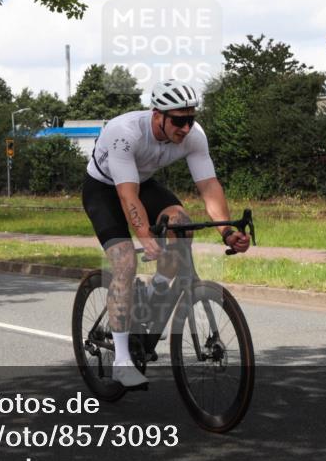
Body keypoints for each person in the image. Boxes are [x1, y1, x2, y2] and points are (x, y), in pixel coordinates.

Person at [81, 79, 251, 389]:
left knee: (181, 224)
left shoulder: (194, 137)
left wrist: (226, 231)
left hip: (142, 184)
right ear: (157, 114)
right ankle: (121, 361)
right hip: (104, 190)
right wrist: (145, 235)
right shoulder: (125, 133)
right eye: (178, 120)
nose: (185, 128)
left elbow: (209, 186)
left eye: (191, 119)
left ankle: (157, 289)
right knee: (125, 262)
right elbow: (127, 197)